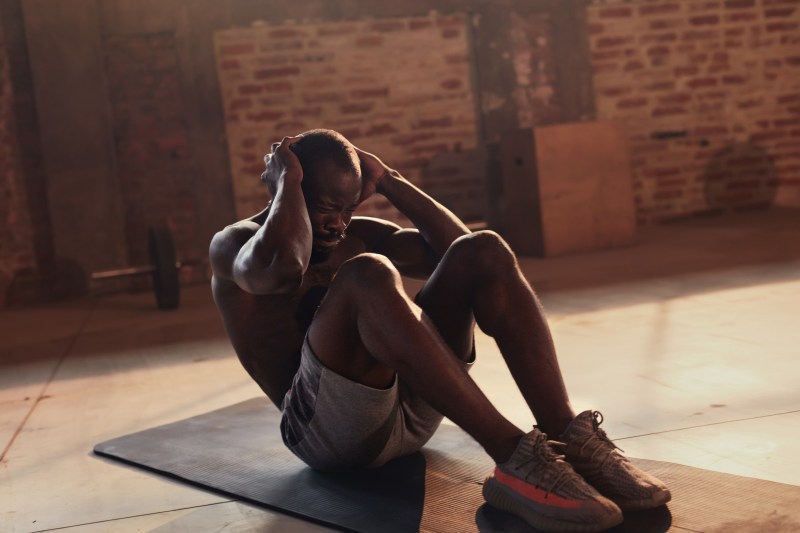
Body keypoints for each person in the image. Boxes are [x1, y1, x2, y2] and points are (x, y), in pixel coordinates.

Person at [209, 129, 670, 532]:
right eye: (327, 207)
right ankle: (515, 459)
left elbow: (459, 250)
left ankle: (569, 436)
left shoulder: (355, 234)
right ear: (289, 187)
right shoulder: (235, 245)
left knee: (483, 248)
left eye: (348, 208)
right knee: (368, 273)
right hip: (325, 437)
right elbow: (282, 269)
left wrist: (388, 179)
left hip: (410, 415)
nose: (339, 222)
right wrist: (286, 178)